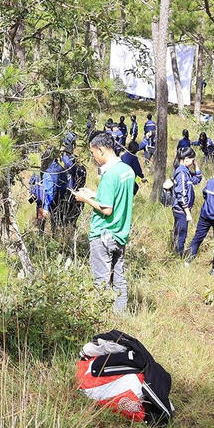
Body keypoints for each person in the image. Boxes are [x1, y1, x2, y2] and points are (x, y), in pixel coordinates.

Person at [72, 132, 135, 313]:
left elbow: (107, 209)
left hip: (103, 234)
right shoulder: (126, 171)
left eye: (93, 153)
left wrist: (85, 199)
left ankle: (101, 319)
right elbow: (115, 198)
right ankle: (120, 316)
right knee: (119, 278)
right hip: (120, 233)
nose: (93, 158)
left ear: (101, 150)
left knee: (101, 281)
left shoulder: (109, 175)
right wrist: (94, 194)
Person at [171, 149, 202, 255]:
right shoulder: (181, 173)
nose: (193, 162)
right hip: (181, 210)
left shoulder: (186, 171)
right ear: (186, 159)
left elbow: (198, 179)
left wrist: (196, 165)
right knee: (181, 235)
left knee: (178, 233)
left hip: (183, 210)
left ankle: (175, 252)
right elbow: (181, 195)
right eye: (192, 160)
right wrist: (188, 213)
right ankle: (178, 256)